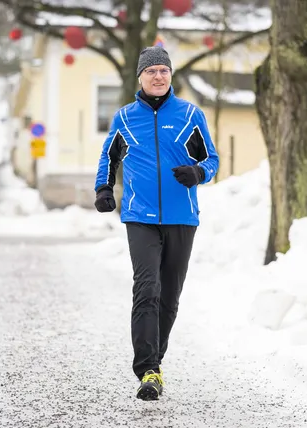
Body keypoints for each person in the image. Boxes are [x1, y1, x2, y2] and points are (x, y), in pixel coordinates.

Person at [94, 46, 219, 401]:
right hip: (140, 216)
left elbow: (212, 158)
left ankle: (155, 362)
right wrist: (103, 187)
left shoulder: (190, 115)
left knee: (170, 296)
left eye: (164, 70)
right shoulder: (125, 118)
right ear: (141, 77)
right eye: (152, 71)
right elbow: (109, 155)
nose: (159, 76)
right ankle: (147, 367)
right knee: (147, 288)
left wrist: (199, 172)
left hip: (182, 217)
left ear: (170, 76)